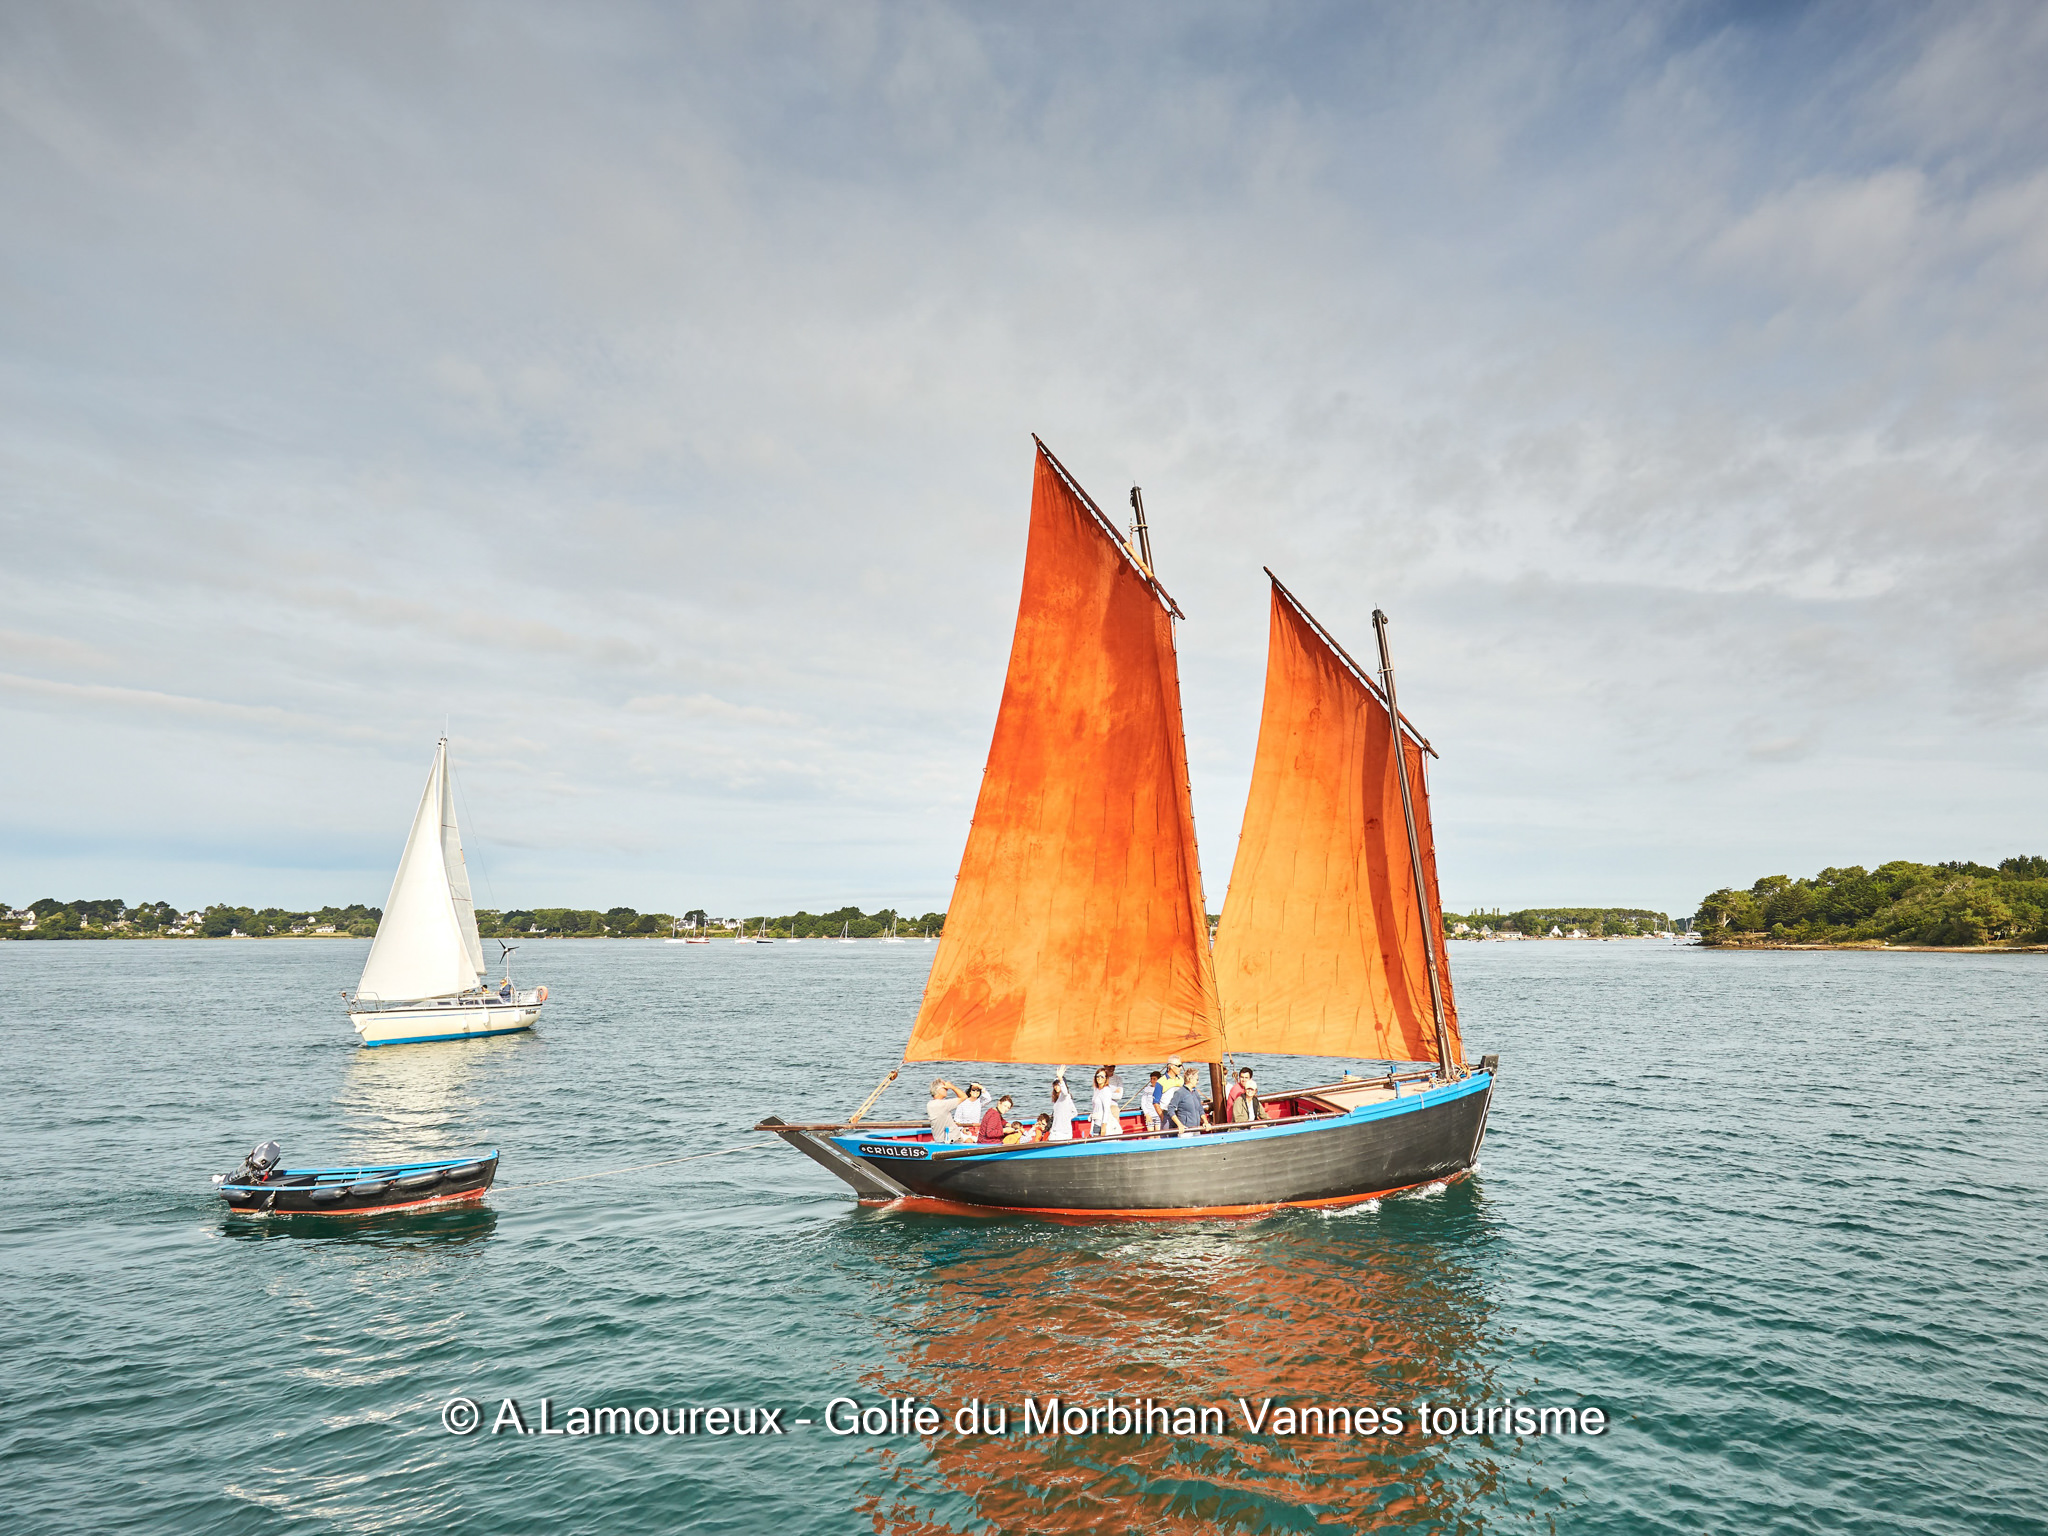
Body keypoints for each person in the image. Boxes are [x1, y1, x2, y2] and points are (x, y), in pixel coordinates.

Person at [1163, 1068, 1205, 1135]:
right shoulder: (1180, 1093)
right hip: (1186, 1129)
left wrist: (1205, 1122)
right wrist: (1179, 1125)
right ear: (1190, 1079)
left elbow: (1200, 1109)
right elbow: (1171, 1109)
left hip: (1196, 1128)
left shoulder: (1195, 1093)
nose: (1198, 1082)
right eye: (1197, 1079)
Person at [926, 1078, 965, 1143]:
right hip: (951, 1139)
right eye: (945, 1089)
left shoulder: (929, 1104)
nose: (947, 1090)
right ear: (939, 1090)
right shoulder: (943, 1104)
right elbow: (964, 1096)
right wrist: (952, 1087)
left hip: (939, 1139)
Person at [1089, 1068, 1122, 1138]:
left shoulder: (1106, 1091)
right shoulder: (1097, 1090)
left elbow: (1106, 1109)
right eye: (1097, 1076)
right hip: (1096, 1121)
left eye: (1102, 1076)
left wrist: (1104, 1125)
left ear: (1105, 1079)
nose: (1099, 1078)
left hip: (1101, 1122)